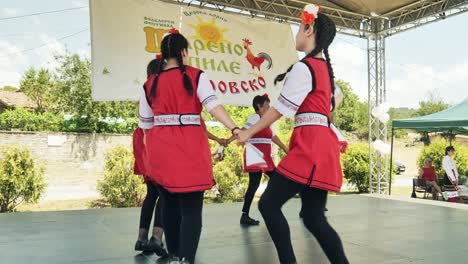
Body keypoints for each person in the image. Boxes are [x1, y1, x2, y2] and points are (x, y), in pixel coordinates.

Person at [236, 4, 348, 263]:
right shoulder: (323, 71)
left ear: (310, 30)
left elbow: (277, 111)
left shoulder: (305, 68)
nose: (297, 32)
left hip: (311, 148)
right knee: (313, 217)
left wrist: (247, 132)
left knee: (268, 205)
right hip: (319, 145)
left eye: (300, 27)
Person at [138, 28, 239, 264]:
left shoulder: (149, 84)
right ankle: (186, 259)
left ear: (163, 54)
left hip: (160, 149)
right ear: (184, 52)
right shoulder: (196, 76)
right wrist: (235, 129)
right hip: (190, 146)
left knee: (169, 205)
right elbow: (214, 106)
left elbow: (145, 126)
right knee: (192, 209)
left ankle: (174, 255)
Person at [229, 94, 288, 226]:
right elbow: (243, 130)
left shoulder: (265, 121)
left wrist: (284, 147)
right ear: (259, 107)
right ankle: (251, 212)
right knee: (257, 184)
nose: (269, 107)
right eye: (267, 105)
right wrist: (228, 140)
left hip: (265, 157)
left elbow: (273, 137)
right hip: (255, 155)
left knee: (273, 180)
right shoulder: (255, 117)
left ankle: (264, 207)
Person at [134, 57, 167, 257]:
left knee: (152, 193)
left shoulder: (145, 90)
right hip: (154, 138)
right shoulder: (160, 90)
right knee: (165, 191)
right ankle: (157, 238)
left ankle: (141, 238)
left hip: (142, 139)